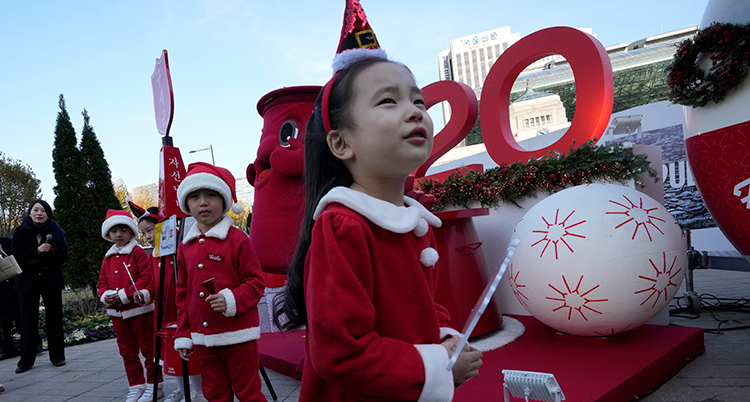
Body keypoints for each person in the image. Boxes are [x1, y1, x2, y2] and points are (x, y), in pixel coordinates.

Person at [273, 4, 482, 399]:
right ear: (341, 142)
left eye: (418, 101)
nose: (414, 112)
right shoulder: (343, 226)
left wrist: (446, 341)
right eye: (389, 101)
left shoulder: (412, 220)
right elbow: (340, 353)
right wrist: (436, 365)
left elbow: (422, 310)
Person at [173, 162, 267, 402]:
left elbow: (256, 282)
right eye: (194, 197)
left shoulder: (238, 240)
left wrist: (231, 299)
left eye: (211, 195)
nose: (203, 202)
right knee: (215, 393)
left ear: (224, 201)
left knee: (248, 393)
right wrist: (184, 334)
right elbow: (182, 295)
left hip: (238, 335)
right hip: (203, 339)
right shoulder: (185, 248)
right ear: (186, 204)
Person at [132, 203, 205, 402]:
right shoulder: (154, 254)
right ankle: (182, 389)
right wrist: (145, 293)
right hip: (165, 312)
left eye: (150, 230)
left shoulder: (180, 248)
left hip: (182, 308)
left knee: (187, 347)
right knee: (171, 351)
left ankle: (198, 391)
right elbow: (153, 283)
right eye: (144, 233)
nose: (147, 236)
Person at [97, 209, 163, 402]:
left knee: (149, 349)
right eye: (114, 230)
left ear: (132, 232)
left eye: (123, 230)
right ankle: (136, 385)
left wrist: (124, 296)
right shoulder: (107, 258)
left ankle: (155, 385)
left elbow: (147, 278)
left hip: (139, 310)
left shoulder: (138, 253)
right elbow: (102, 283)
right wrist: (107, 295)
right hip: (117, 314)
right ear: (108, 234)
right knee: (127, 351)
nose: (119, 234)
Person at [11, 199, 68, 374]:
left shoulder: (56, 231)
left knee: (54, 318)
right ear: (30, 213)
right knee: (28, 321)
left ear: (48, 214)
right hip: (27, 281)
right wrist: (37, 252)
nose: (39, 213)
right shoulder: (20, 231)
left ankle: (57, 356)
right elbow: (16, 255)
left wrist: (47, 256)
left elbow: (63, 254)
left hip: (50, 279)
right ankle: (26, 360)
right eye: (36, 210)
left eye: (44, 211)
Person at [0, 237, 20, 361]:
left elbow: (18, 258)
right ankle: (8, 349)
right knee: (3, 324)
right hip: (0, 291)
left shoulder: (7, 242)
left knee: (21, 319)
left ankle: (34, 345)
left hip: (13, 286)